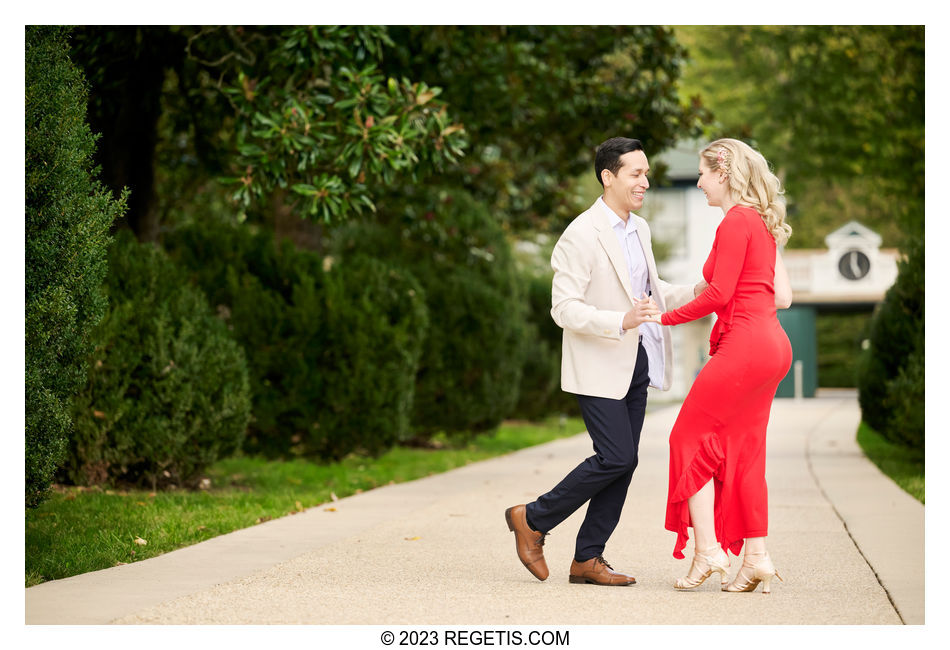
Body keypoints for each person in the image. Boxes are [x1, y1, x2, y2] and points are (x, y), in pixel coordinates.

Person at [505, 137, 702, 586]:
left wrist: (700, 290)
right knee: (615, 456)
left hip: (637, 362)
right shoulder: (580, 234)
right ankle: (532, 517)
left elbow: (653, 292)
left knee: (625, 460)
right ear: (607, 176)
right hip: (598, 363)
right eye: (636, 174)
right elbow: (563, 308)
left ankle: (587, 559)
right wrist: (621, 319)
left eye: (647, 173)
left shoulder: (640, 229)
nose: (645, 182)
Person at [655, 138, 793, 594]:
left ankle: (708, 551)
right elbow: (778, 295)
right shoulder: (762, 222)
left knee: (686, 437)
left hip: (746, 347)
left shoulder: (736, 222)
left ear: (724, 173)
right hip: (771, 345)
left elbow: (718, 294)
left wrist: (663, 318)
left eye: (702, 174)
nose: (698, 182)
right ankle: (756, 558)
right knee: (745, 453)